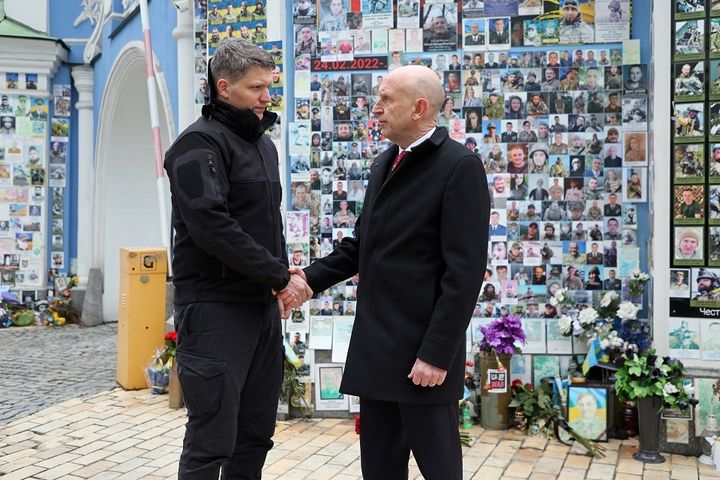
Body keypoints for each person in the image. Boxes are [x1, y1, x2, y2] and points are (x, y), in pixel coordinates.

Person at [293, 65, 489, 480]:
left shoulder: (459, 167)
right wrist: (307, 280)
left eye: (386, 100)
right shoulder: (387, 162)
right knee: (379, 471)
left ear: (419, 108)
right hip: (378, 352)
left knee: (440, 471)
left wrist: (436, 354)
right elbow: (363, 247)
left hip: (424, 360)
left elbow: (464, 274)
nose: (375, 109)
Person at [164, 40, 313, 478]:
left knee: (255, 434)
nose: (267, 96)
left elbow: (269, 225)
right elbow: (211, 225)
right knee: (212, 441)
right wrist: (279, 276)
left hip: (260, 311)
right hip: (215, 311)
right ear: (223, 88)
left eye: (269, 86)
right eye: (256, 88)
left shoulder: (263, 145)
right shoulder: (196, 145)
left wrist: (281, 279)